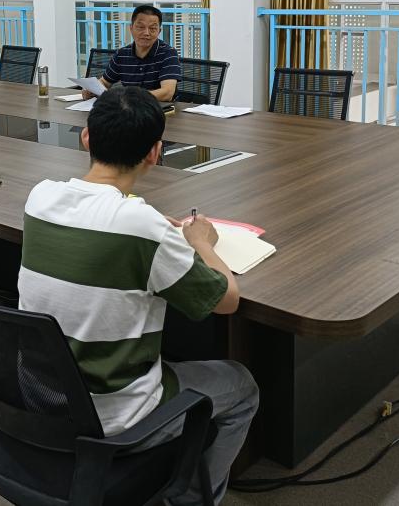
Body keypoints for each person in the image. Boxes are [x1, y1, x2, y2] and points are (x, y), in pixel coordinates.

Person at [19, 85, 258, 504]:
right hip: (115, 416)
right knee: (242, 386)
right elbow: (227, 299)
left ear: (86, 137)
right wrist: (202, 242)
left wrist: (149, 224)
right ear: (155, 152)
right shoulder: (143, 227)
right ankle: (189, 499)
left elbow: (105, 221)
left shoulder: (40, 197)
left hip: (42, 396)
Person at [84, 4, 182, 102]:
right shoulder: (121, 54)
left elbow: (167, 93)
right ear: (131, 28)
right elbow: (104, 82)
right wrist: (91, 90)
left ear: (159, 31)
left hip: (159, 108)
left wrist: (129, 98)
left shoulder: (168, 53)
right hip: (129, 108)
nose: (146, 33)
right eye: (141, 27)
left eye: (152, 28)